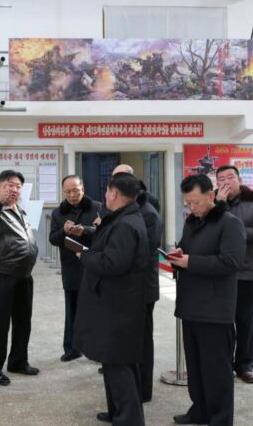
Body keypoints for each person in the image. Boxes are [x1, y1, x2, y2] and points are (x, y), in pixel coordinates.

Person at [165, 174, 245, 426]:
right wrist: (179, 254)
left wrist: (192, 262)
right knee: (196, 367)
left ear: (211, 195)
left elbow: (231, 262)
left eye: (196, 202)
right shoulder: (192, 222)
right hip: (190, 305)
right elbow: (187, 250)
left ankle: (220, 418)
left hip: (215, 309)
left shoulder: (229, 223)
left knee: (217, 370)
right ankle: (199, 410)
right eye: (188, 203)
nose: (192, 207)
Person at [75, 173, 150, 426]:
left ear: (114, 194)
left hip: (119, 306)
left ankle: (129, 419)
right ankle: (117, 411)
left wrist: (83, 256)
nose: (105, 196)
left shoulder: (126, 224)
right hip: (113, 303)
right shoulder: (121, 218)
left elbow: (112, 262)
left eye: (107, 192)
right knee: (113, 361)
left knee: (120, 365)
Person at [0, 170, 40, 385]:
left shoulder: (20, 210)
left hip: (23, 274)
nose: (14, 189)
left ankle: (18, 361)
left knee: (23, 321)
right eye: (9, 185)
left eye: (18, 186)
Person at [214, 165, 253, 384]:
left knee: (245, 321)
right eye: (221, 178)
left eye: (231, 177)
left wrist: (238, 232)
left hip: (246, 271)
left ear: (239, 180)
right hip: (220, 272)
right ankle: (223, 363)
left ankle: (245, 365)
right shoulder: (212, 203)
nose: (226, 181)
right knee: (222, 321)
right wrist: (219, 206)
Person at [110, 164, 163, 402]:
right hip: (125, 287)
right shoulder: (122, 210)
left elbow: (139, 254)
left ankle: (143, 390)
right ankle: (129, 385)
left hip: (141, 288)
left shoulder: (148, 213)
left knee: (142, 340)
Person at [49, 174, 103, 362]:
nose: (72, 195)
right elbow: (53, 239)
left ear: (83, 189)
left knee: (96, 310)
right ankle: (72, 349)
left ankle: (97, 349)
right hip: (71, 267)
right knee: (72, 309)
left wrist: (86, 231)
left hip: (94, 266)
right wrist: (64, 231)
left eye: (76, 190)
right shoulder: (58, 213)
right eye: (68, 192)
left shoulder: (97, 208)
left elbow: (105, 234)